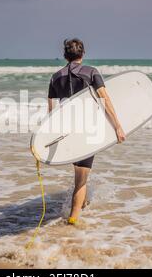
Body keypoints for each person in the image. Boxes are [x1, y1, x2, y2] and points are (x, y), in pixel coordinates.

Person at [47, 38, 126, 225]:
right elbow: (105, 99)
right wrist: (117, 126)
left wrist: (53, 137)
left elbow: (51, 112)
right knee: (81, 179)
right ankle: (73, 219)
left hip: (67, 132)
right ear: (83, 53)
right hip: (87, 131)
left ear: (65, 55)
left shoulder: (55, 77)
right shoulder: (91, 72)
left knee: (79, 172)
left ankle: (80, 205)